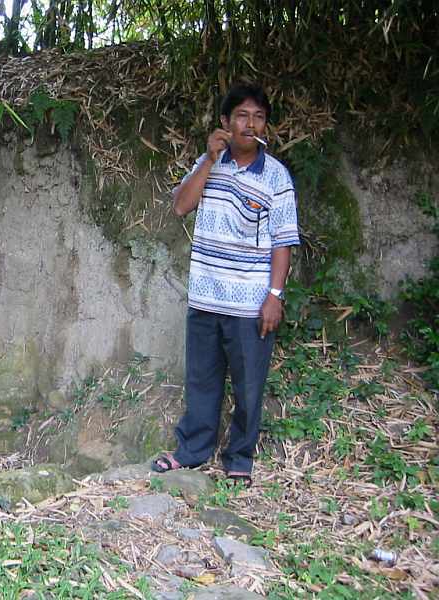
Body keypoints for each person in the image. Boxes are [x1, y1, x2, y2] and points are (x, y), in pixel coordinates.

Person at [151, 82, 300, 485]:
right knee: (202, 381)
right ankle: (193, 451)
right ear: (225, 122)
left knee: (249, 384)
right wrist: (209, 160)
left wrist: (274, 296)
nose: (251, 125)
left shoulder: (276, 177)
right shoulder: (209, 162)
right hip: (205, 297)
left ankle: (239, 457)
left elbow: (283, 242)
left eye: (259, 117)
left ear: (265, 125)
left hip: (250, 304)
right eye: (242, 116)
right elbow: (181, 206)